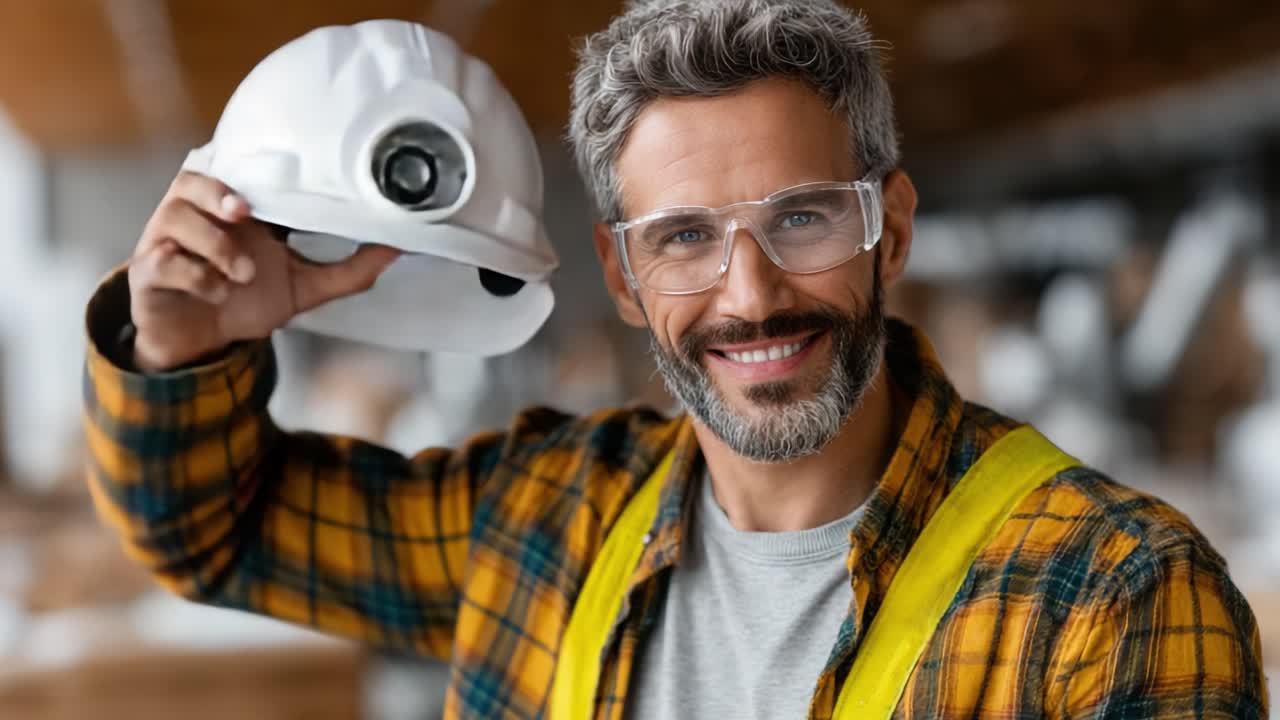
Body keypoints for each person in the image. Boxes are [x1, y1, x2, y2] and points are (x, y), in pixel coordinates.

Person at [82, 1, 1268, 718]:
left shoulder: (1104, 598)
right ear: (620, 275)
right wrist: (188, 349)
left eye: (800, 218)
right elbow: (211, 528)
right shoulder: (546, 517)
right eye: (684, 238)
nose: (747, 297)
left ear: (887, 226)